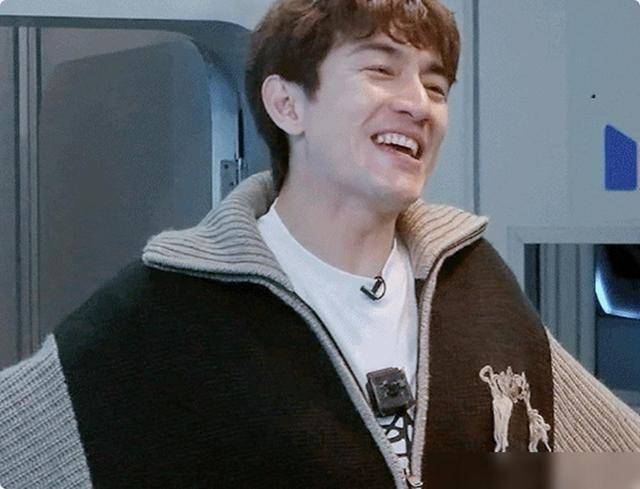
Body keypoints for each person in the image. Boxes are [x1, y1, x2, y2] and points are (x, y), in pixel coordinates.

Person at [1, 0, 640, 487]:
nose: (419, 105)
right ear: (287, 105)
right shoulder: (166, 309)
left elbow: (611, 461)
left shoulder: (470, 280)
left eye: (436, 86)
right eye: (381, 70)